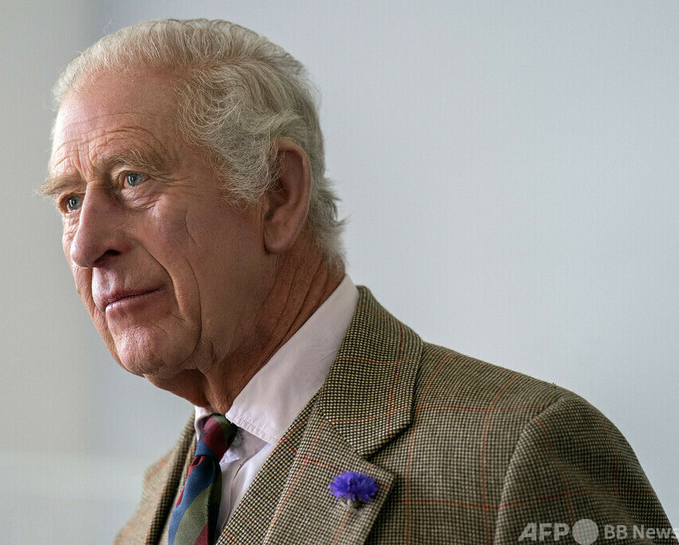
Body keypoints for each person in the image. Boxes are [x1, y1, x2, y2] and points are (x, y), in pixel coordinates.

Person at [40, 19, 674, 545]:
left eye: (132, 180)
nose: (88, 245)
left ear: (277, 194)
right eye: (70, 201)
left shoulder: (521, 456)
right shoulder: (157, 500)